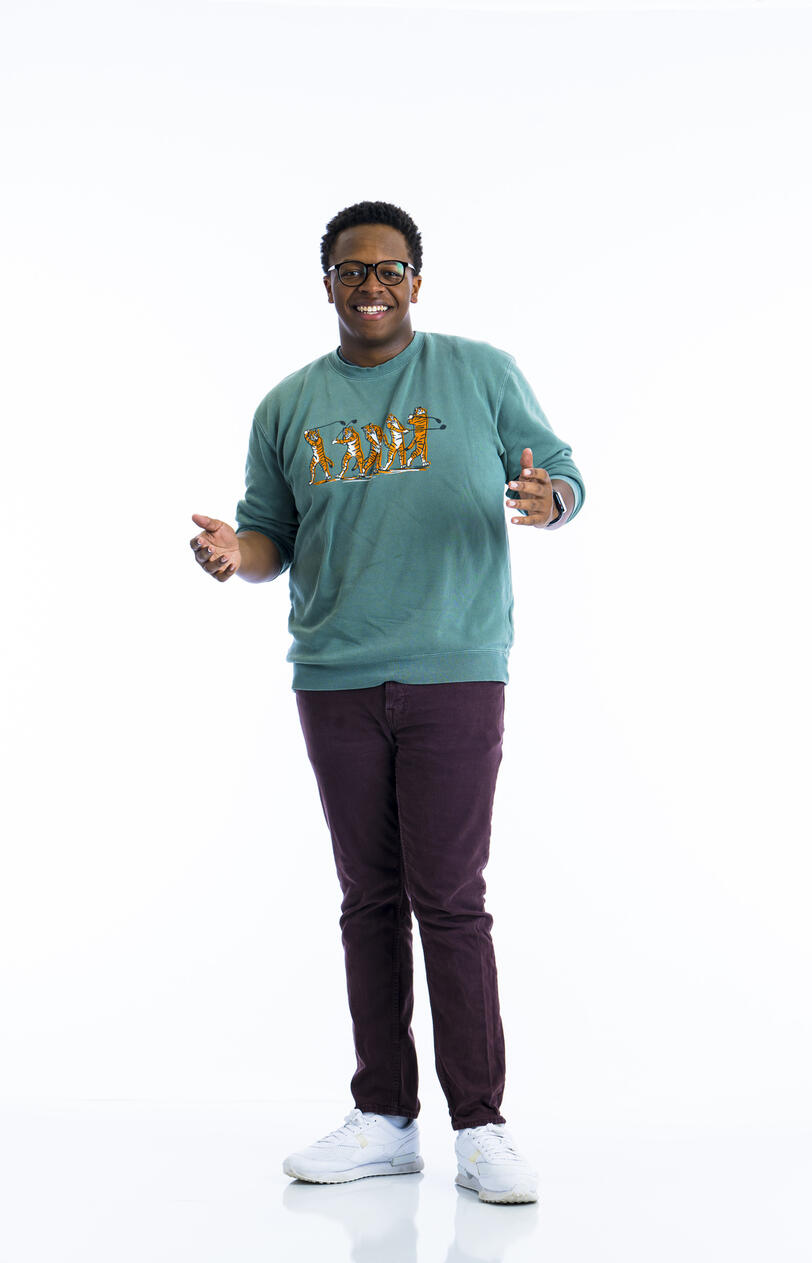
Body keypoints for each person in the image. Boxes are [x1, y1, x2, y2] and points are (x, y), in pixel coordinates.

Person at [190, 200, 585, 1205]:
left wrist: (551, 500)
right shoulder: (287, 406)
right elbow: (267, 536)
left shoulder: (479, 372)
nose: (373, 286)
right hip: (335, 676)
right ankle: (385, 1118)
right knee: (368, 900)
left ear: (418, 279)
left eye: (391, 269)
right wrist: (238, 557)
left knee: (449, 900)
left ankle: (482, 1127)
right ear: (325, 282)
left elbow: (562, 470)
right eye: (353, 271)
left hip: (455, 668)